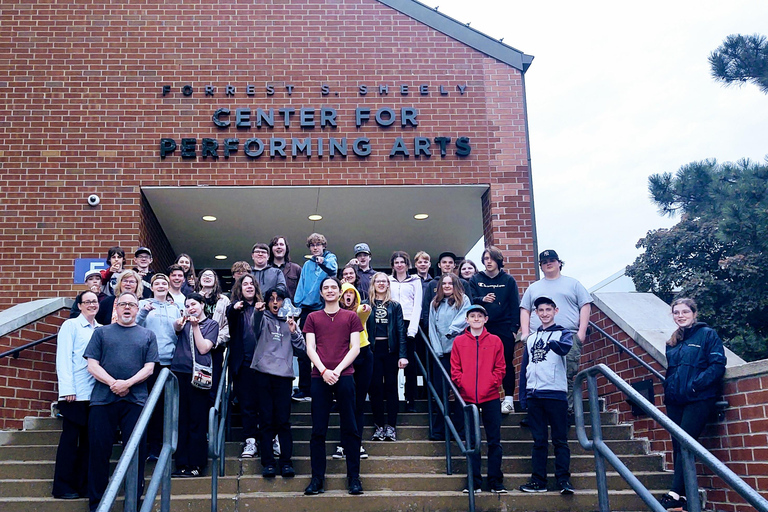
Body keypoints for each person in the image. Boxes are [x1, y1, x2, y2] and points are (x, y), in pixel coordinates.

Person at [84, 291, 158, 512]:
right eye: (123, 304)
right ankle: (97, 504)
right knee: (98, 452)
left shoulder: (147, 335)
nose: (127, 308)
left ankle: (133, 503)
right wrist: (114, 383)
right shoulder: (101, 333)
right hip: (102, 400)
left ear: (137, 309)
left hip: (135, 401)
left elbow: (150, 368)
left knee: (135, 452)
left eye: (132, 305)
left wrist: (127, 384)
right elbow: (92, 365)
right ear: (116, 307)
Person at [658, 298, 726, 511]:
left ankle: (675, 493)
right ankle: (683, 496)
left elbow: (717, 364)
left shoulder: (707, 335)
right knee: (678, 446)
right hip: (675, 400)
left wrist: (697, 385)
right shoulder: (673, 341)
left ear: (694, 313)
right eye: (676, 312)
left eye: (685, 311)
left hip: (698, 398)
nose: (680, 315)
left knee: (686, 444)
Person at [303, 277, 364, 496]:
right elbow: (310, 348)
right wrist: (323, 371)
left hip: (344, 375)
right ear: (321, 293)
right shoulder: (312, 317)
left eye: (333, 288)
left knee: (351, 428)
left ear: (340, 292)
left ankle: (354, 479)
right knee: (318, 430)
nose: (330, 291)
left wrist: (337, 371)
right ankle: (317, 479)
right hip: (320, 377)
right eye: (326, 288)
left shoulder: (350, 317)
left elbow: (355, 348)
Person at [519, 249, 592, 421]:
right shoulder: (534, 287)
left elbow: (586, 305)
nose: (548, 263)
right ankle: (536, 415)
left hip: (567, 335)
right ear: (541, 266)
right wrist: (526, 333)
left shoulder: (573, 284)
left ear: (559, 262)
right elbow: (525, 309)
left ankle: (567, 412)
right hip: (539, 338)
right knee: (535, 373)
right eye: (544, 262)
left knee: (567, 374)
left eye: (552, 260)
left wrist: (581, 333)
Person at [518, 296, 574, 495]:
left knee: (560, 440)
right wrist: (523, 396)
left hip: (556, 393)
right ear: (536, 313)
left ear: (555, 311)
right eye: (540, 310)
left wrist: (553, 343)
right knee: (539, 441)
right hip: (535, 395)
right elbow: (525, 367)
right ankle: (538, 480)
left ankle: (563, 481)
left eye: (548, 310)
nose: (544, 313)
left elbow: (565, 348)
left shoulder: (563, 333)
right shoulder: (531, 338)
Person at [250, 287, 306, 478]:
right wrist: (257, 312)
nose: (275, 303)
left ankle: (286, 462)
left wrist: (294, 332)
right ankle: (268, 463)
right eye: (272, 299)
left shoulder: (291, 320)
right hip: (263, 373)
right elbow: (254, 327)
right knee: (266, 420)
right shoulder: (262, 317)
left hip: (283, 376)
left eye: (279, 299)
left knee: (283, 421)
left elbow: (302, 350)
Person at [451, 304, 506, 494]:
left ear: (485, 319)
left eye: (479, 316)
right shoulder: (458, 342)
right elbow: (455, 369)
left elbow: (500, 368)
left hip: (490, 396)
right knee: (472, 441)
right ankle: (474, 481)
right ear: (466, 320)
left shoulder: (495, 340)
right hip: (467, 397)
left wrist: (492, 383)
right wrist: (463, 384)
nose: (476, 319)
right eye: (472, 316)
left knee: (494, 440)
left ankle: (495, 481)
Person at [53, 291, 99, 500]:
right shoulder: (70, 326)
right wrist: (67, 389)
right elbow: (63, 358)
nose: (92, 304)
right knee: (70, 442)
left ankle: (82, 486)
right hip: (75, 394)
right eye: (87, 301)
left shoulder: (100, 329)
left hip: (95, 395)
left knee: (89, 443)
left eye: (95, 301)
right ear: (79, 306)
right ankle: (62, 487)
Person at [171, 293, 219, 477]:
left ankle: (196, 465)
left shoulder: (211, 325)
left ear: (202, 305)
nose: (191, 308)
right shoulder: (183, 323)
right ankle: (181, 464)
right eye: (187, 305)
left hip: (199, 376)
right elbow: (175, 327)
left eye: (194, 304)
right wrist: (181, 322)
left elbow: (204, 348)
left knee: (197, 421)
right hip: (180, 374)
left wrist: (196, 327)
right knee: (181, 420)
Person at [136, 273, 183, 460]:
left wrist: (179, 326)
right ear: (152, 287)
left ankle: (165, 447)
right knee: (149, 407)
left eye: (164, 283)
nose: (161, 286)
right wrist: (144, 311)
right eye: (157, 283)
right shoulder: (143, 304)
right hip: (149, 362)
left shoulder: (175, 308)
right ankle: (149, 447)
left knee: (167, 408)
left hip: (170, 363)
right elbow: (135, 326)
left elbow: (178, 333)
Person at [470, 246, 521, 415]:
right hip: (483, 328)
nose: (488, 262)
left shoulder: (508, 280)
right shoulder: (476, 279)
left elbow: (515, 305)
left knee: (506, 363)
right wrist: (482, 299)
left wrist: (514, 329)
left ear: (498, 260)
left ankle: (508, 400)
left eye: (491, 258)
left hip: (504, 328)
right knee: (483, 364)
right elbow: (469, 301)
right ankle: (483, 400)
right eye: (485, 259)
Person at [293, 233, 338, 401]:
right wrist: (297, 305)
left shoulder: (330, 258)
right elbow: (301, 284)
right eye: (312, 245)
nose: (315, 248)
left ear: (323, 245)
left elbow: (333, 269)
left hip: (323, 309)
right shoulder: (307, 264)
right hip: (306, 310)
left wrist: (323, 262)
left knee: (325, 349)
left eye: (318, 244)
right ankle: (305, 388)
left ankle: (329, 386)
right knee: (304, 350)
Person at [427, 273, 470, 440]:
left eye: (450, 283)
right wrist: (437, 350)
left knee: (460, 391)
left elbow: (464, 319)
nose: (446, 286)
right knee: (440, 392)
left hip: (459, 354)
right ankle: (439, 430)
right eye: (443, 283)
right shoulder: (435, 303)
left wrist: (451, 330)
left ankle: (460, 430)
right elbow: (432, 327)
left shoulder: (463, 300)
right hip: (441, 354)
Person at [333, 283, 372, 460]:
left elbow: (364, 313)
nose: (348, 296)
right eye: (345, 293)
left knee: (358, 403)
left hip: (363, 354)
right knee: (345, 403)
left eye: (352, 293)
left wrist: (363, 308)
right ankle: (343, 443)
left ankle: (356, 444)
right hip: (344, 357)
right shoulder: (334, 313)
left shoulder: (359, 312)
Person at [367, 273, 408, 441]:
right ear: (373, 284)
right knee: (375, 387)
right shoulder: (366, 305)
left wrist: (403, 355)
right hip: (373, 349)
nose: (381, 284)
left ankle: (391, 426)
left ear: (388, 284)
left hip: (390, 350)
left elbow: (400, 331)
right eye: (378, 281)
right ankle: (378, 426)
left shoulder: (395, 306)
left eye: (384, 281)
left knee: (391, 387)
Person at [226, 274, 263, 459]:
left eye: (251, 284)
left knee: (265, 404)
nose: (249, 287)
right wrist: (235, 307)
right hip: (243, 364)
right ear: (239, 289)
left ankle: (269, 440)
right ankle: (250, 440)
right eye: (245, 284)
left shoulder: (263, 308)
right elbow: (229, 315)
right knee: (247, 405)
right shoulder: (235, 309)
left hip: (265, 365)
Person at [388, 251, 423, 411]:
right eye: (396, 262)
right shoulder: (388, 281)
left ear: (407, 265)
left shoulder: (415, 280)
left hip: (409, 323)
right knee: (391, 364)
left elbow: (418, 305)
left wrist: (412, 329)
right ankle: (391, 400)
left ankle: (411, 400)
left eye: (402, 262)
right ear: (393, 265)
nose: (399, 265)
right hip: (392, 323)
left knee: (410, 365)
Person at [196, 269, 231, 400]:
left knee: (213, 385)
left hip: (215, 348)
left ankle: (211, 414)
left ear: (216, 280)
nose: (207, 278)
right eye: (204, 275)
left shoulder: (224, 300)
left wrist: (215, 339)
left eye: (210, 276)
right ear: (199, 280)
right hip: (196, 348)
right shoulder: (193, 297)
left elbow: (228, 324)